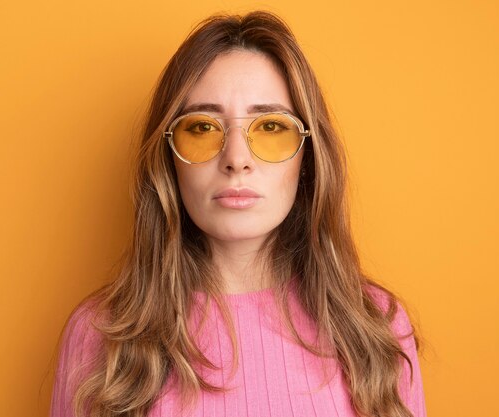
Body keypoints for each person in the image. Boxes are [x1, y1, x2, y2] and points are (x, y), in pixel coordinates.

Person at [50, 10, 426, 417]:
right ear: (168, 160)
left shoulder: (377, 329)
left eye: (270, 127)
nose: (237, 159)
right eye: (202, 128)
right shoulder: (99, 337)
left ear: (309, 158)